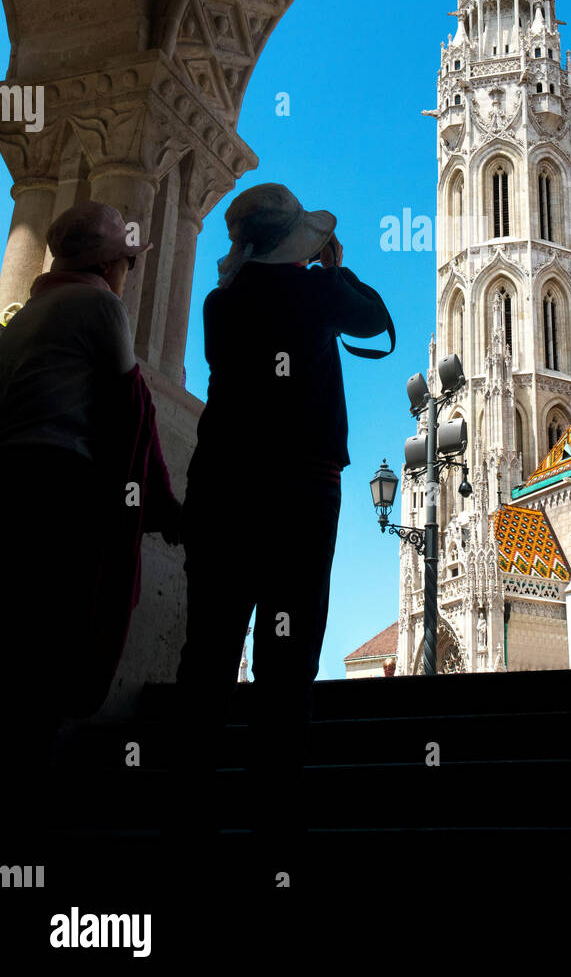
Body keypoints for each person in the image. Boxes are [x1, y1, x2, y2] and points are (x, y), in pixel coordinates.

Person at [171, 183, 393, 847]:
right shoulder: (316, 292)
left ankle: (190, 811)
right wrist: (333, 267)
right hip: (299, 491)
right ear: (294, 243)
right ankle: (273, 812)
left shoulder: (220, 302)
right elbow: (375, 321)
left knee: (208, 650)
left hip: (222, 489)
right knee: (286, 655)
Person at [0, 202, 182, 837]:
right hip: (61, 486)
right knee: (54, 637)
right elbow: (130, 406)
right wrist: (162, 507)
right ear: (111, 265)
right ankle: (32, 798)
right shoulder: (101, 306)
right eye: (128, 263)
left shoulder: (20, 322)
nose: (129, 272)